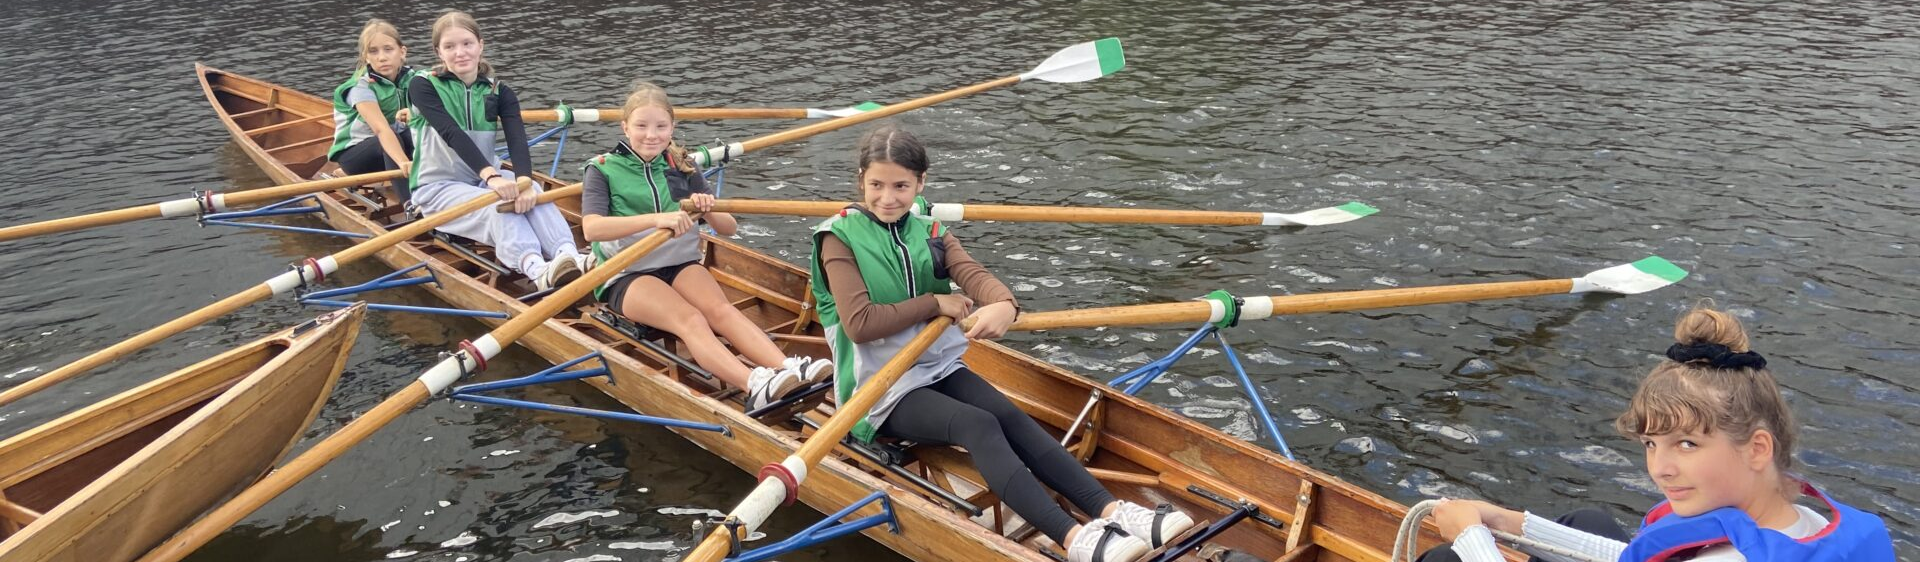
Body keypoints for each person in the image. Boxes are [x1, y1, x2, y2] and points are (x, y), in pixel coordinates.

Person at [808, 124, 1195, 562]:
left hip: (934, 368)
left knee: (1007, 413)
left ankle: (1114, 510)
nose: (888, 198)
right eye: (876, 185)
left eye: (901, 186)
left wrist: (1004, 305)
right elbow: (859, 324)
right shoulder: (837, 238)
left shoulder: (929, 231)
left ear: (921, 183)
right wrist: (936, 301)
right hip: (877, 389)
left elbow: (975, 276)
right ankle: (1074, 540)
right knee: (978, 425)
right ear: (860, 181)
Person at [1417, 304, 1896, 562]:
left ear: (1756, 448)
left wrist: (1474, 542)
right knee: (1585, 522)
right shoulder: (1804, 526)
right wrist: (1506, 522)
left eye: (1687, 444)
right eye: (1651, 444)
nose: (1660, 469)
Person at [580, 81, 830, 409]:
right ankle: (754, 384)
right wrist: (656, 219)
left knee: (720, 310)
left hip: (680, 264)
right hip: (626, 273)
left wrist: (708, 209)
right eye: (641, 126)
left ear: (673, 127)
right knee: (691, 320)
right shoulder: (602, 169)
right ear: (625, 126)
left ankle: (786, 367)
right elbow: (591, 229)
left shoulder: (681, 165)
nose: (651, 135)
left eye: (660, 127)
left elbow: (729, 228)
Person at [406, 11, 585, 291]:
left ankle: (569, 256)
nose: (460, 53)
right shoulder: (422, 85)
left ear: (481, 45)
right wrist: (492, 177)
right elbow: (451, 133)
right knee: (499, 205)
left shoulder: (499, 92)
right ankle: (537, 269)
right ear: (438, 52)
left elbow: (516, 140)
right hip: (437, 187)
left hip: (483, 180)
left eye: (467, 44)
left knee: (535, 192)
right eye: (450, 47)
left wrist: (524, 181)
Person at [327, 18, 416, 196]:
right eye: (373, 52)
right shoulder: (360, 87)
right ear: (366, 57)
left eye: (388, 49)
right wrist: (404, 162)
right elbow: (381, 130)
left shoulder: (413, 78)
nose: (382, 57)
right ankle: (409, 205)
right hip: (355, 157)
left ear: (402, 52)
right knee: (393, 137)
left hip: (390, 146)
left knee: (422, 131)